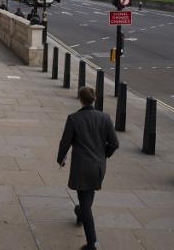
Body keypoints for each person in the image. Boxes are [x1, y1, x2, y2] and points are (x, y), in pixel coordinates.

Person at [57, 86, 119, 250]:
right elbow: (115, 143)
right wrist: (104, 155)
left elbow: (65, 142)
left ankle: (92, 243)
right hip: (98, 166)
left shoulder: (73, 118)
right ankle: (79, 213)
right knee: (87, 195)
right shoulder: (105, 118)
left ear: (80, 99)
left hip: (81, 167)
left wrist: (60, 159)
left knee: (85, 200)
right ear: (95, 99)